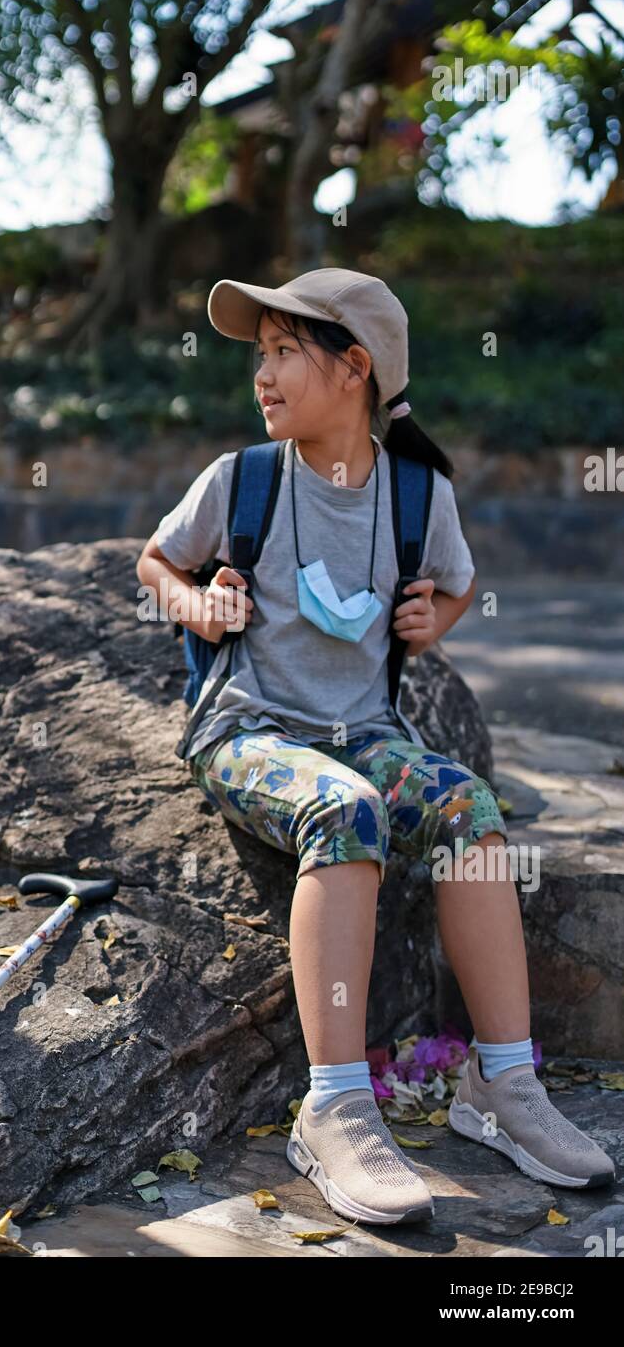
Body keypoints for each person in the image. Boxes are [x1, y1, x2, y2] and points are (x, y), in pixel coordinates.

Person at [135, 268, 614, 1225]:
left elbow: (457, 583)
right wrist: (198, 603)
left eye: (282, 352)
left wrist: (430, 622)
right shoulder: (242, 480)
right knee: (344, 811)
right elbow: (156, 559)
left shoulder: (414, 492)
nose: (261, 377)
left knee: (470, 808)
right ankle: (339, 1103)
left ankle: (503, 1086)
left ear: (355, 368)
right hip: (250, 732)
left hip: (367, 731)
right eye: (258, 356)